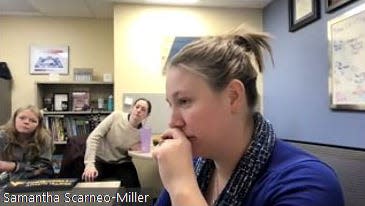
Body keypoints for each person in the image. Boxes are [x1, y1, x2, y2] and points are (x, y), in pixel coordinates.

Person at [153, 26, 344, 206]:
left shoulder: (308, 183)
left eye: (184, 101)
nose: (173, 122)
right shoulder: (193, 166)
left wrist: (182, 188)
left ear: (233, 97)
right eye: (171, 104)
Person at [82, 98, 152, 187]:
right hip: (101, 160)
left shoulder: (144, 132)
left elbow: (148, 150)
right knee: (89, 180)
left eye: (143, 109)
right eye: (137, 107)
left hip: (121, 163)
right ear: (132, 108)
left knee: (134, 187)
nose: (138, 110)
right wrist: (89, 164)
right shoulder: (116, 116)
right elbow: (93, 137)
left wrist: (136, 147)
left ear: (147, 115)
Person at [0, 105, 54, 184]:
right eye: (22, 118)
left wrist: (14, 167)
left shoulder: (45, 139)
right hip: (5, 179)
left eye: (33, 121)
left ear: (38, 125)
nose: (26, 122)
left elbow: (43, 168)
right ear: (14, 119)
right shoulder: (2, 136)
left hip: (34, 180)